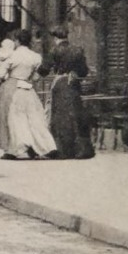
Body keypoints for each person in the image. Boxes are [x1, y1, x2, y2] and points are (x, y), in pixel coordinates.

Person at [1, 28, 57, 160]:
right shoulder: (35, 56)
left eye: (15, 40)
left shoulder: (12, 56)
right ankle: (48, 147)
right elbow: (37, 77)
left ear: (18, 41)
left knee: (16, 119)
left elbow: (1, 74)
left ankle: (16, 149)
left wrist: (7, 76)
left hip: (15, 88)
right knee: (35, 118)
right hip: (28, 88)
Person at [43, 27, 94, 160]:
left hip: (60, 84)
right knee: (76, 116)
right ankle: (81, 150)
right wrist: (74, 73)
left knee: (60, 117)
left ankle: (62, 150)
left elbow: (44, 69)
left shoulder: (54, 50)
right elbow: (84, 71)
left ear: (56, 38)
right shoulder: (77, 50)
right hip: (73, 84)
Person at [0, 32, 19, 155]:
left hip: (5, 87)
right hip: (17, 86)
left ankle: (7, 145)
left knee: (4, 117)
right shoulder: (14, 56)